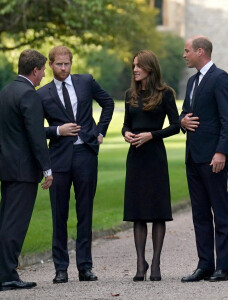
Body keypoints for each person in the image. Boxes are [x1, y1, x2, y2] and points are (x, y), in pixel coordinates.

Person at [38, 46, 114, 284]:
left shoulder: (86, 82)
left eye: (67, 64)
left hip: (85, 154)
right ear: (50, 64)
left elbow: (108, 103)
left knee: (85, 213)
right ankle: (60, 269)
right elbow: (34, 130)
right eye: (59, 64)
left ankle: (85, 267)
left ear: (72, 63)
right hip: (58, 158)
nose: (63, 68)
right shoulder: (41, 94)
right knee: (59, 215)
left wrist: (100, 131)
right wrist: (58, 130)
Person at [180, 36, 228, 282]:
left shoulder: (220, 78)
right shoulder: (192, 81)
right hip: (193, 157)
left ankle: (222, 267)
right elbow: (185, 111)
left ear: (200, 51)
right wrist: (182, 121)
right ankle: (205, 265)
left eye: (187, 50)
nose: (184, 55)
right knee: (200, 214)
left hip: (214, 158)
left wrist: (221, 151)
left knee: (220, 213)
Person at [122, 50, 180, 281]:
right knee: (138, 213)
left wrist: (151, 135)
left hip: (155, 156)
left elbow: (176, 126)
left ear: (150, 68)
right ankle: (140, 264)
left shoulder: (165, 94)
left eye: (139, 66)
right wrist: (127, 133)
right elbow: (126, 124)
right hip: (135, 156)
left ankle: (155, 263)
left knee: (157, 212)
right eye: (133, 66)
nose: (135, 69)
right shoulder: (130, 94)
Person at [0, 49, 53, 291]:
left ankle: (4, 272)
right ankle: (8, 275)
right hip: (23, 170)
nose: (44, 75)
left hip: (7, 166)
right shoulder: (29, 95)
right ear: (35, 70)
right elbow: (35, 135)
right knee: (15, 224)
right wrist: (46, 168)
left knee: (6, 220)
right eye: (43, 70)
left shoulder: (6, 91)